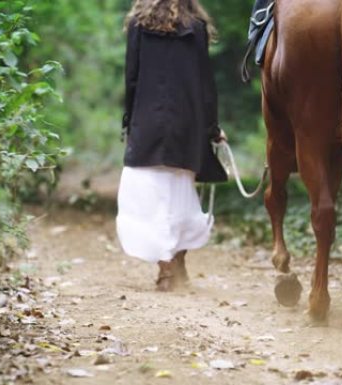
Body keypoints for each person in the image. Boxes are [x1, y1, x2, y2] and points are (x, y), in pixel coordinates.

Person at [116, 0, 227, 292]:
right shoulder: (197, 28)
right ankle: (176, 264)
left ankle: (167, 269)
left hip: (148, 121)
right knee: (181, 193)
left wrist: (129, 120)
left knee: (151, 196)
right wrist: (212, 128)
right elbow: (206, 85)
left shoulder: (139, 26)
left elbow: (132, 78)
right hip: (186, 124)